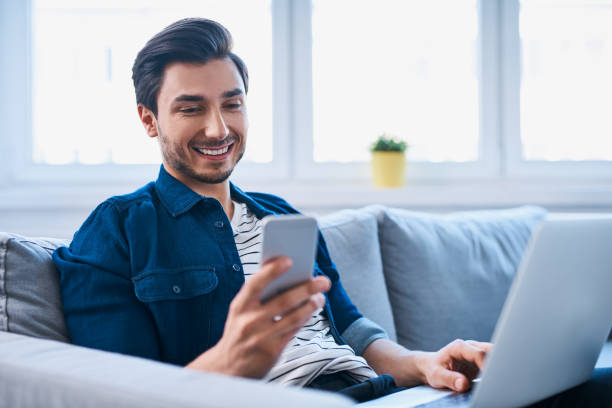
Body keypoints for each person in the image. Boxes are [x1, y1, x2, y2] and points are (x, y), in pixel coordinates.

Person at [53, 18, 611, 405]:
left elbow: (354, 331)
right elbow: (115, 395)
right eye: (191, 108)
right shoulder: (116, 231)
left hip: (381, 395)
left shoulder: (282, 218)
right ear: (149, 119)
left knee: (592, 386)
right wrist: (231, 359)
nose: (219, 128)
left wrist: (429, 362)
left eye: (232, 103)